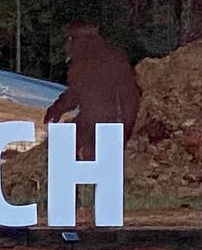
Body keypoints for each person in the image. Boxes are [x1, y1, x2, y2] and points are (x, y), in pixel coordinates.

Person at [42, 23, 140, 159]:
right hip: (111, 120)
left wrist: (57, 108)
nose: (67, 46)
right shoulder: (108, 55)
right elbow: (78, 92)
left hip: (107, 121)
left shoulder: (90, 60)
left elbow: (77, 93)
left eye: (70, 40)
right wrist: (58, 108)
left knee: (75, 145)